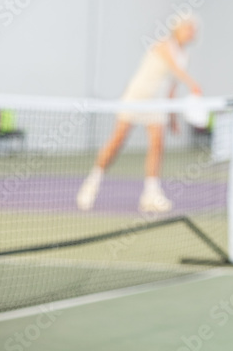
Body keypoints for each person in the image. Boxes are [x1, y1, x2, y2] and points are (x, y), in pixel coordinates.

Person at [76, 17, 202, 213]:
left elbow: (172, 87)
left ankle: (151, 194)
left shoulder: (185, 57)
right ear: (177, 29)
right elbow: (173, 68)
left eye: (193, 29)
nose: (192, 32)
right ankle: (91, 184)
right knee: (117, 142)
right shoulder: (163, 45)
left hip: (157, 104)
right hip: (136, 97)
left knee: (157, 145)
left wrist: (173, 119)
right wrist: (193, 84)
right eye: (189, 28)